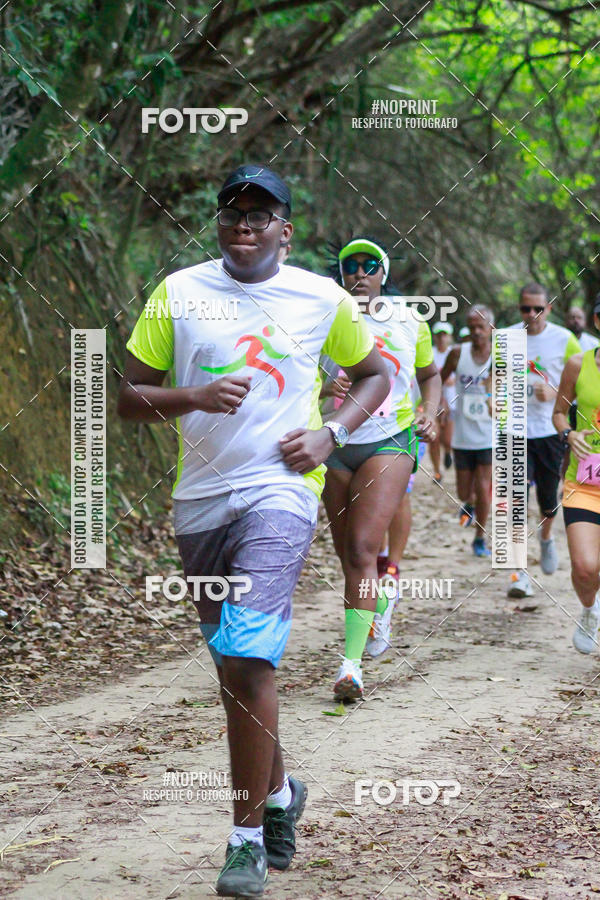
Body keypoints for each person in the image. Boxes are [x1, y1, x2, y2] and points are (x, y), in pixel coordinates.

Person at [117, 165, 388, 898]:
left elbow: (374, 376)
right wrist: (194, 396)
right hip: (200, 501)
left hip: (281, 493)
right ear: (219, 224)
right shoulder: (179, 291)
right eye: (233, 213)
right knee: (234, 670)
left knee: (248, 650)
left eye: (260, 214)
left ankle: (242, 844)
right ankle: (278, 794)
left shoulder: (321, 297)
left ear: (285, 229)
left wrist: (333, 434)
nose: (245, 224)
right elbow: (129, 397)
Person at [321, 236, 441, 701]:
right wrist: (323, 383)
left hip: (390, 439)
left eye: (370, 265)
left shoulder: (410, 320)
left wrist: (430, 412)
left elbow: (429, 375)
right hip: (334, 440)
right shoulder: (325, 316)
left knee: (361, 548)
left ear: (383, 275)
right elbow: (295, 375)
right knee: (348, 555)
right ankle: (381, 598)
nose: (360, 274)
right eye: (351, 266)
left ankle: (350, 667)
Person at [507, 283, 581, 598]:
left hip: (549, 431)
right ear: (519, 309)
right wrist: (493, 399)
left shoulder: (565, 339)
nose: (532, 315)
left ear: (549, 308)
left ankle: (546, 538)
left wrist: (556, 394)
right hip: (514, 430)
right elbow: (495, 378)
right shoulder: (507, 336)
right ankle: (518, 574)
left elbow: (583, 382)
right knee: (514, 501)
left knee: (548, 501)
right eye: (526, 308)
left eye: (538, 308)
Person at [553, 300, 600, 652]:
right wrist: (568, 434)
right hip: (583, 482)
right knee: (585, 568)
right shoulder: (578, 364)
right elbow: (558, 413)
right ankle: (589, 610)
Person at [441, 306, 494, 557]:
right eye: (472, 327)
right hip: (462, 432)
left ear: (491, 329)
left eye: (480, 327)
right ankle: (468, 503)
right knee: (464, 490)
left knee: (485, 487)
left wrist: (495, 395)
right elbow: (437, 379)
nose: (476, 332)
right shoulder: (457, 354)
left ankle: (480, 537)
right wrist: (441, 404)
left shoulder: (500, 355)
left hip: (489, 433)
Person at [429, 322, 456, 480]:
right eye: (439, 335)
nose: (441, 338)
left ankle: (447, 452)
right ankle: (437, 471)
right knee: (434, 438)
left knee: (447, 439)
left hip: (452, 402)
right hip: (433, 402)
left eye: (444, 335)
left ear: (449, 337)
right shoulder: (430, 353)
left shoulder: (454, 354)